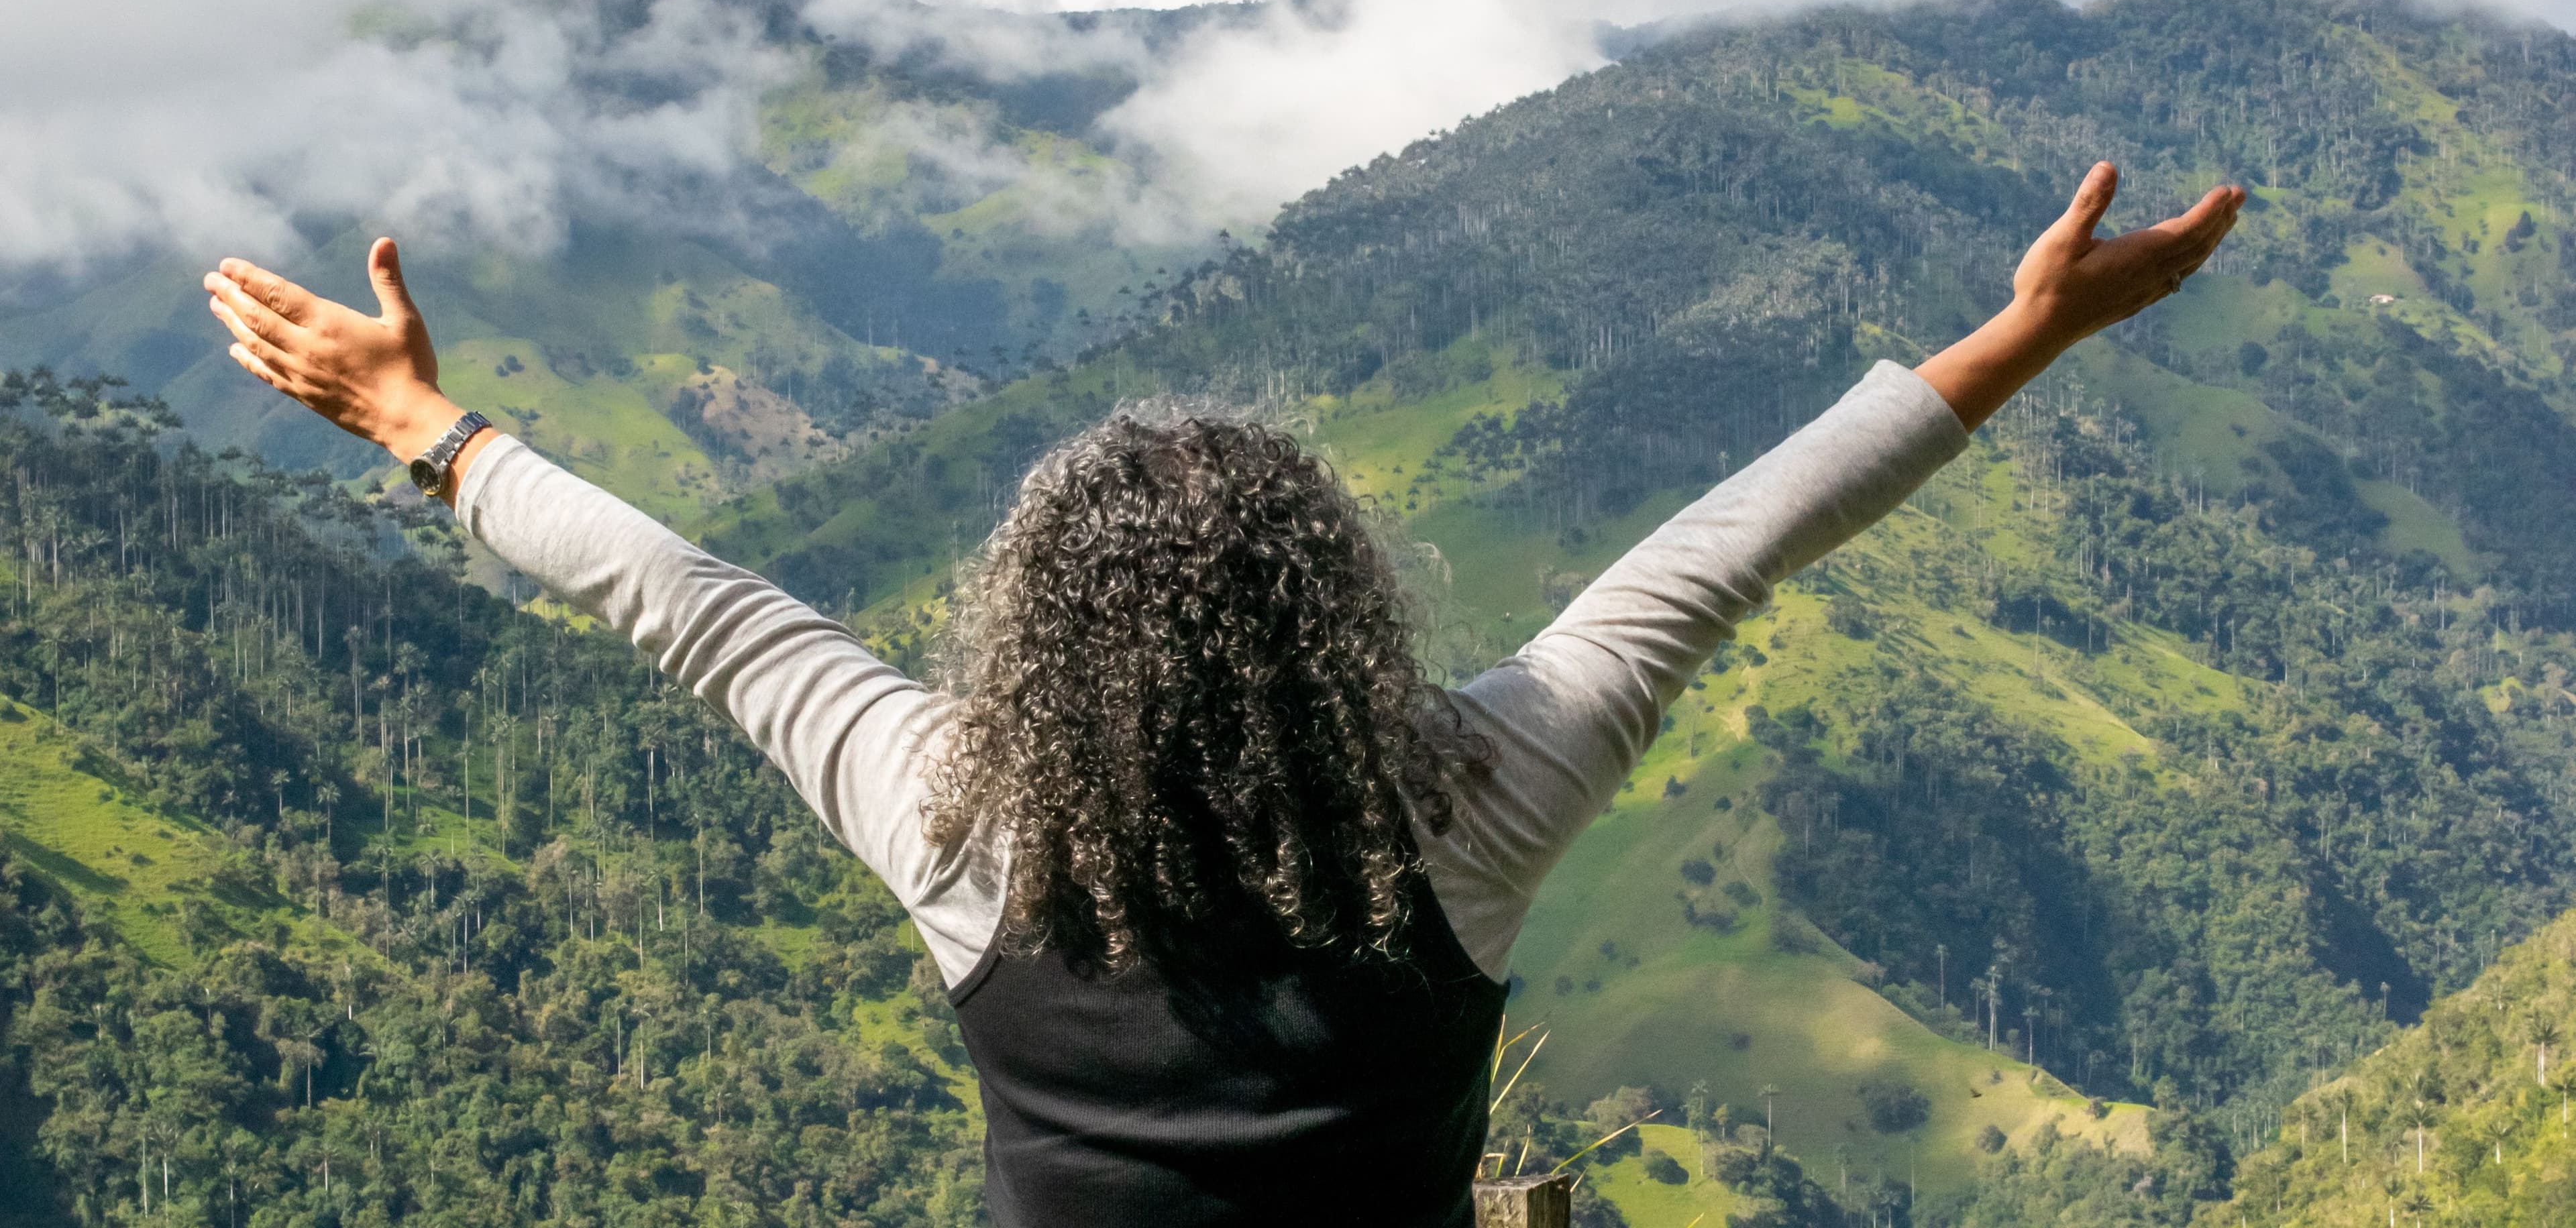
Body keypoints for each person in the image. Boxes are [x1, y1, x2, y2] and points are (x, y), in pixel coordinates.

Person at [202, 162, 2239, 1225]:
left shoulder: (952, 822)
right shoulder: (1468, 805)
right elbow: (1723, 550)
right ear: (1339, 610)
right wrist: (2015, 338)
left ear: (1030, 635)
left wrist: (423, 425)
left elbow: (691, 604)